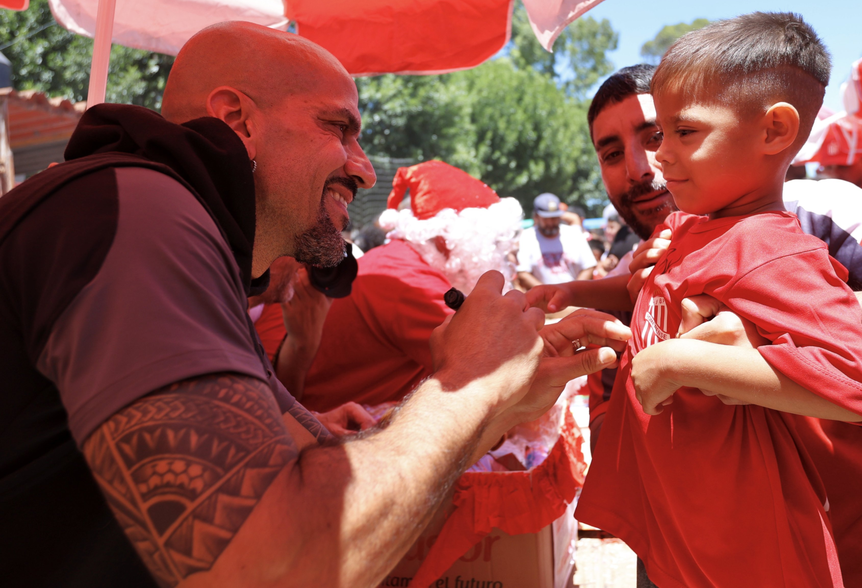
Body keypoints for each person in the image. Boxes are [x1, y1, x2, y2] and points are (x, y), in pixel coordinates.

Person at [0, 21, 632, 588]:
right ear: (236, 121)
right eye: (339, 127)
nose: (362, 169)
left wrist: (497, 401)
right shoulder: (142, 210)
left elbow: (300, 460)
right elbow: (268, 566)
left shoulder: (185, 229)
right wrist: (471, 387)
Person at [530, 59, 862, 588]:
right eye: (612, 153)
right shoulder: (627, 290)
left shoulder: (810, 211)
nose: (643, 165)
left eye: (663, 132)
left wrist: (786, 327)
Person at [574, 15, 862, 587]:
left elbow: (854, 383)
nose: (657, 158)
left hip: (751, 558)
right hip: (688, 534)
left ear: (774, 131)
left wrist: (679, 361)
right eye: (658, 135)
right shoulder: (697, 232)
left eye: (681, 133)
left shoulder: (772, 246)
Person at [256, 160, 524, 410]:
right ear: (453, 238)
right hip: (285, 417)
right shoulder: (406, 278)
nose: (502, 254)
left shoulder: (399, 263)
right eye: (495, 242)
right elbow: (498, 367)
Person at [515, 192, 597, 289]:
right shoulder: (527, 237)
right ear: (537, 216)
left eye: (554, 218)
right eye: (546, 218)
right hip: (542, 301)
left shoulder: (573, 233)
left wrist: (572, 293)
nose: (550, 223)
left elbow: (589, 266)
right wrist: (547, 294)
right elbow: (523, 273)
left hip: (575, 300)